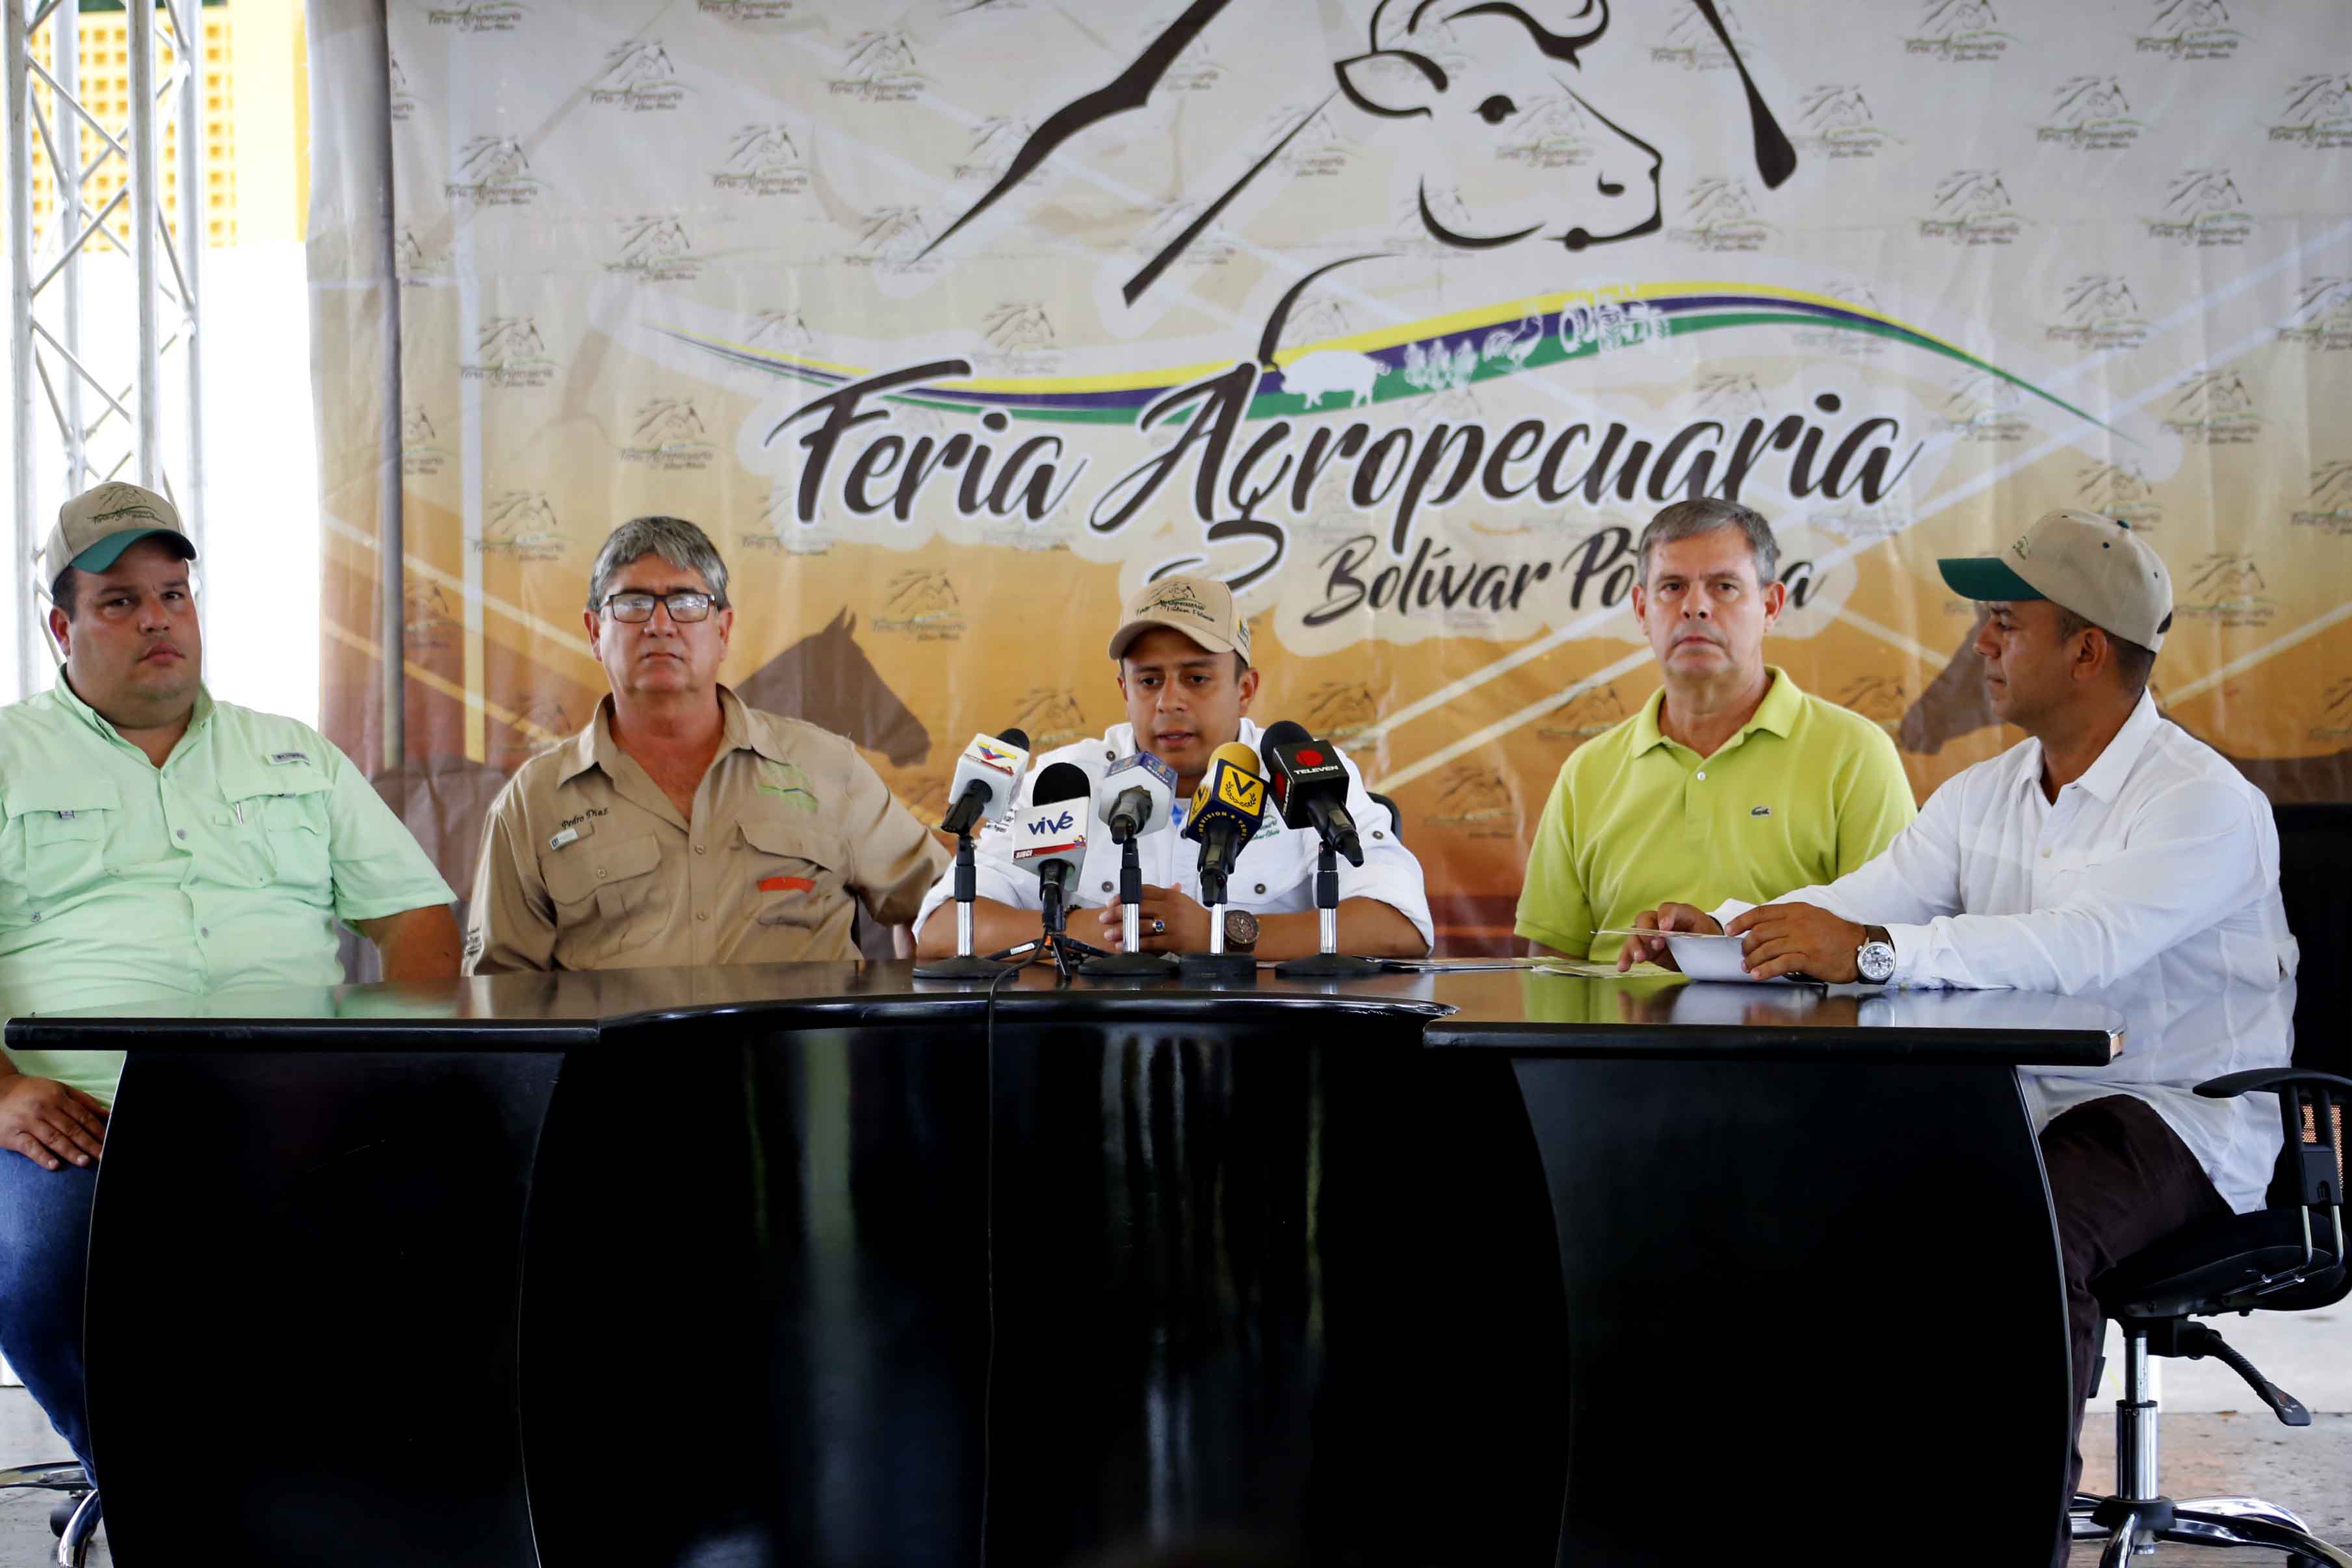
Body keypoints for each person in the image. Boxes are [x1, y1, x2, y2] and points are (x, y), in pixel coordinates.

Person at [1620, 509, 2297, 1565]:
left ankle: (2011, 1536)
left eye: (2003, 623)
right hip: (2016, 1105)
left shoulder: (2199, 802)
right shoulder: (1984, 795)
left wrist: (1871, 952)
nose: (1979, 643)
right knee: (1830, 1197)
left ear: (2085, 649)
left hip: (2176, 1115)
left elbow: (2082, 946)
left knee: (2023, 1229)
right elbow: (1859, 903)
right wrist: (1722, 929)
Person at [0, 482, 461, 1481]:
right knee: (45, 1269)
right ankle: (148, 1484)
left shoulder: (292, 751)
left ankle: (317, 1487)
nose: (157, 619)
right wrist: (3, 1093)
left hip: (298, 1105)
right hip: (83, 1117)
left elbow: (415, 918)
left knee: (448, 1234)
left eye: (173, 594)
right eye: (120, 601)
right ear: (61, 628)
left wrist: (391, 1070)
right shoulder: (7, 758)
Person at [467, 516, 949, 973]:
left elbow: (941, 907)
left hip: (803, 1038)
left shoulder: (827, 768)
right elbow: (500, 990)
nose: (660, 625)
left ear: (723, 630)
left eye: (687, 603)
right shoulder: (533, 802)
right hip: (617, 1040)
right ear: (595, 632)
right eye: (633, 604)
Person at [913, 575, 1430, 961]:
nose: (1169, 702)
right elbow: (943, 929)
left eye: (1197, 679)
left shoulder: (1305, 775)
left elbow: (1400, 925)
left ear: (1245, 690)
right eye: (1149, 681)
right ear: (1124, 691)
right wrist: (1090, 931)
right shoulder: (1065, 780)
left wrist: (1219, 934)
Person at [1515, 498, 1915, 964]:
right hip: (1617, 1013)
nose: (1695, 607)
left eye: (1724, 587)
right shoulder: (1587, 771)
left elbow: (1889, 949)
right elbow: (1551, 964)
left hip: (1793, 1013)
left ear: (1771, 605)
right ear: (1642, 609)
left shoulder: (1856, 754)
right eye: (1672, 587)